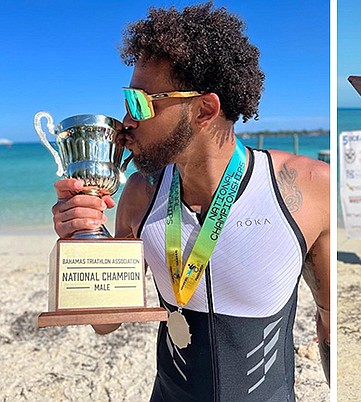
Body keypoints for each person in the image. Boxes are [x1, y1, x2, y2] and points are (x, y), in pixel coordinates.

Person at [51, 4, 330, 401]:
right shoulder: (140, 194)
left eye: (141, 102)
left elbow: (330, 320)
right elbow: (105, 325)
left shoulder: (309, 188)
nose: (125, 121)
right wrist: (84, 236)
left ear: (204, 109)